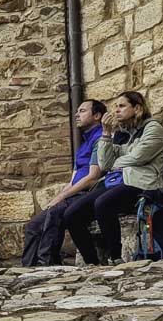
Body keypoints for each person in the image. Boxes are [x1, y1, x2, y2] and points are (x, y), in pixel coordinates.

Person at [62, 91, 163, 265]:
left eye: (122, 106)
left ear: (137, 108)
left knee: (103, 203)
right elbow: (104, 164)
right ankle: (92, 263)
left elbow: (138, 157)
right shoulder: (121, 132)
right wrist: (105, 133)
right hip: (117, 181)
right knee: (72, 213)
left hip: (141, 183)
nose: (116, 110)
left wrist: (116, 162)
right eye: (115, 106)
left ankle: (115, 256)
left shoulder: (153, 128)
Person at [22, 99, 106, 266]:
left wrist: (61, 198)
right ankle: (27, 269)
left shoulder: (101, 138)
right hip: (74, 193)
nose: (76, 114)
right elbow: (72, 180)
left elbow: (92, 177)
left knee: (56, 212)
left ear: (97, 115)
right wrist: (58, 197)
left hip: (89, 193)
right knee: (33, 225)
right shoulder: (83, 145)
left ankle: (46, 264)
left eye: (82, 111)